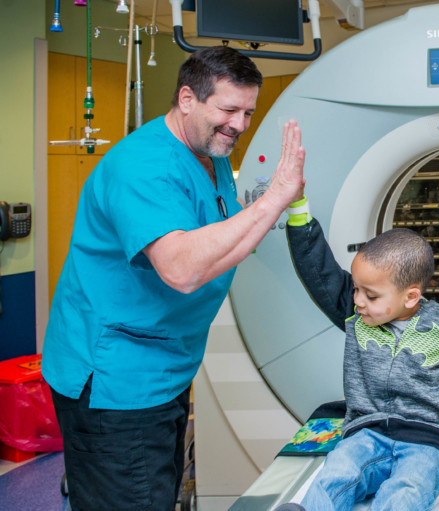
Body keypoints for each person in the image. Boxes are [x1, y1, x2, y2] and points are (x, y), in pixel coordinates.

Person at [41, 45, 305, 510]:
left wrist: (271, 215)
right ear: (187, 99)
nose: (240, 126)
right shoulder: (143, 167)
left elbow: (225, 230)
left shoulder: (211, 153)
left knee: (154, 492)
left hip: (164, 364)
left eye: (248, 112)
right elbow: (183, 269)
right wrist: (275, 198)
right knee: (133, 498)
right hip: (116, 376)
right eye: (228, 110)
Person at [283, 200, 439, 511]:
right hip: (368, 431)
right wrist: (298, 209)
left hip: (430, 439)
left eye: (371, 295)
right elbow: (317, 269)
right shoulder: (356, 315)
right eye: (356, 290)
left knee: (409, 488)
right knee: (338, 473)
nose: (359, 301)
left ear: (411, 296)